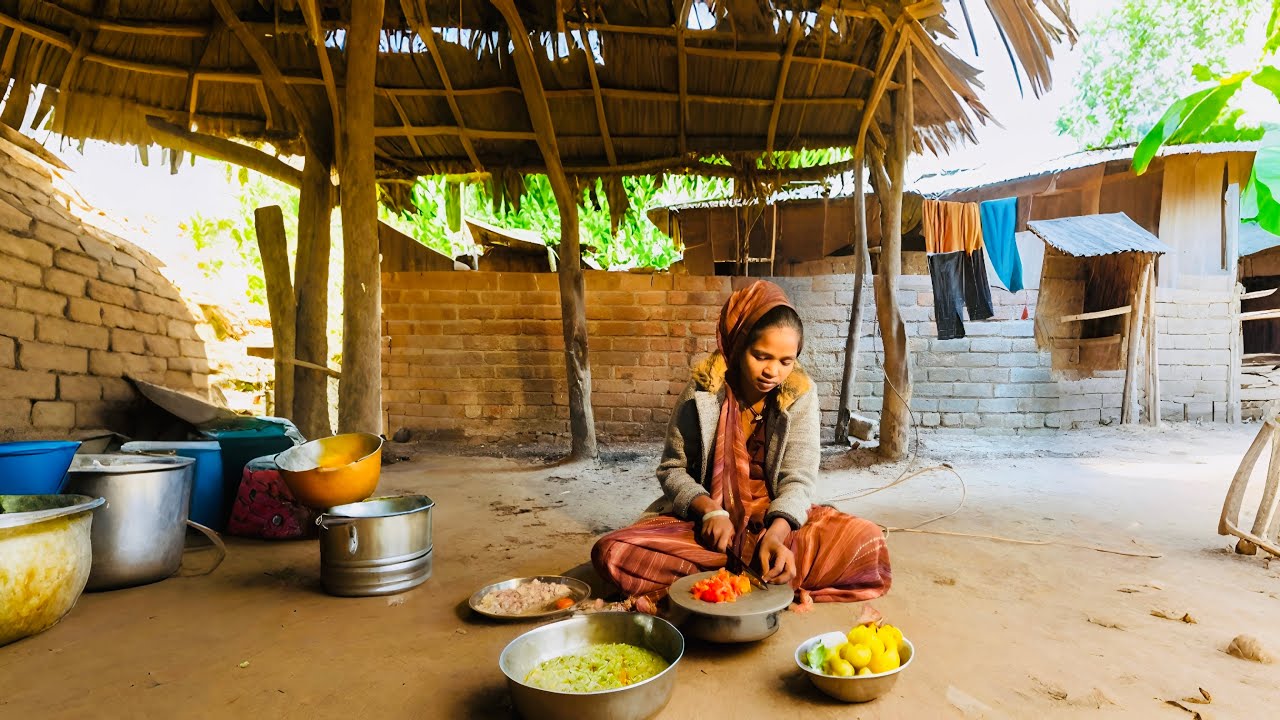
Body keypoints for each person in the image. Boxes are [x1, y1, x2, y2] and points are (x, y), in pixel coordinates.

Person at [592, 280, 891, 609]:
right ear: (737, 346)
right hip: (708, 522)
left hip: (772, 519)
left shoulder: (799, 394)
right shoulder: (703, 392)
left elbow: (799, 480)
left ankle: (731, 570)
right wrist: (710, 511)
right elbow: (672, 469)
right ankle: (758, 572)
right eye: (760, 356)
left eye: (785, 361)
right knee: (614, 553)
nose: (772, 371)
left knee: (867, 542)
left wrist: (777, 535)